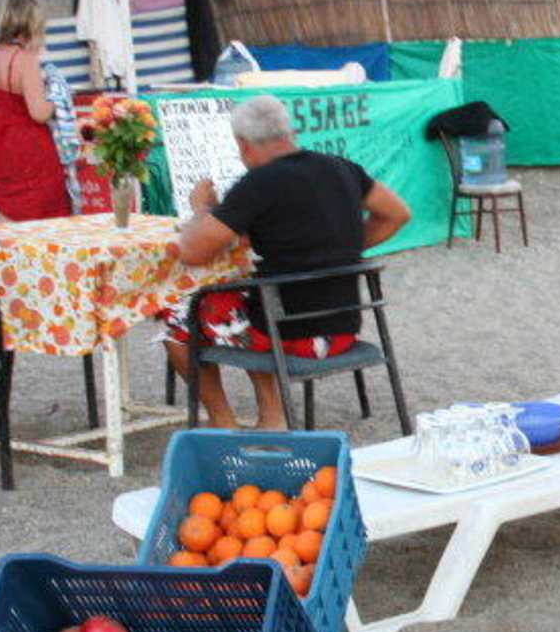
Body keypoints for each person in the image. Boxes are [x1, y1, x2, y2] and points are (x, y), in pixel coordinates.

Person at [165, 95, 411, 429]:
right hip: (343, 329)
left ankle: (224, 420)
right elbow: (397, 213)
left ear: (243, 144)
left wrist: (202, 209)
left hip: (289, 336)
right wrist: (341, 248)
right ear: (290, 132)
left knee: (178, 315)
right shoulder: (341, 168)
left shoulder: (257, 184)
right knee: (252, 298)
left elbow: (193, 251)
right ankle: (271, 415)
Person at [0, 0, 72, 222]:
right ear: (33, 23)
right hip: (30, 157)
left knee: (8, 231)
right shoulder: (25, 59)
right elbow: (39, 113)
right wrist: (59, 96)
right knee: (44, 231)